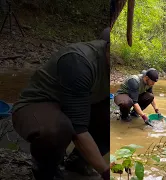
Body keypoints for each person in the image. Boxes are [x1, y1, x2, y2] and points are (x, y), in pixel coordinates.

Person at [11, 28, 112, 180]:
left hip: (76, 103)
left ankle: (78, 163)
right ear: (108, 47)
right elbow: (79, 131)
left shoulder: (112, 64)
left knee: (112, 123)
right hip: (37, 104)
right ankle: (45, 168)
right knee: (56, 130)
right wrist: (106, 172)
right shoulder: (79, 62)